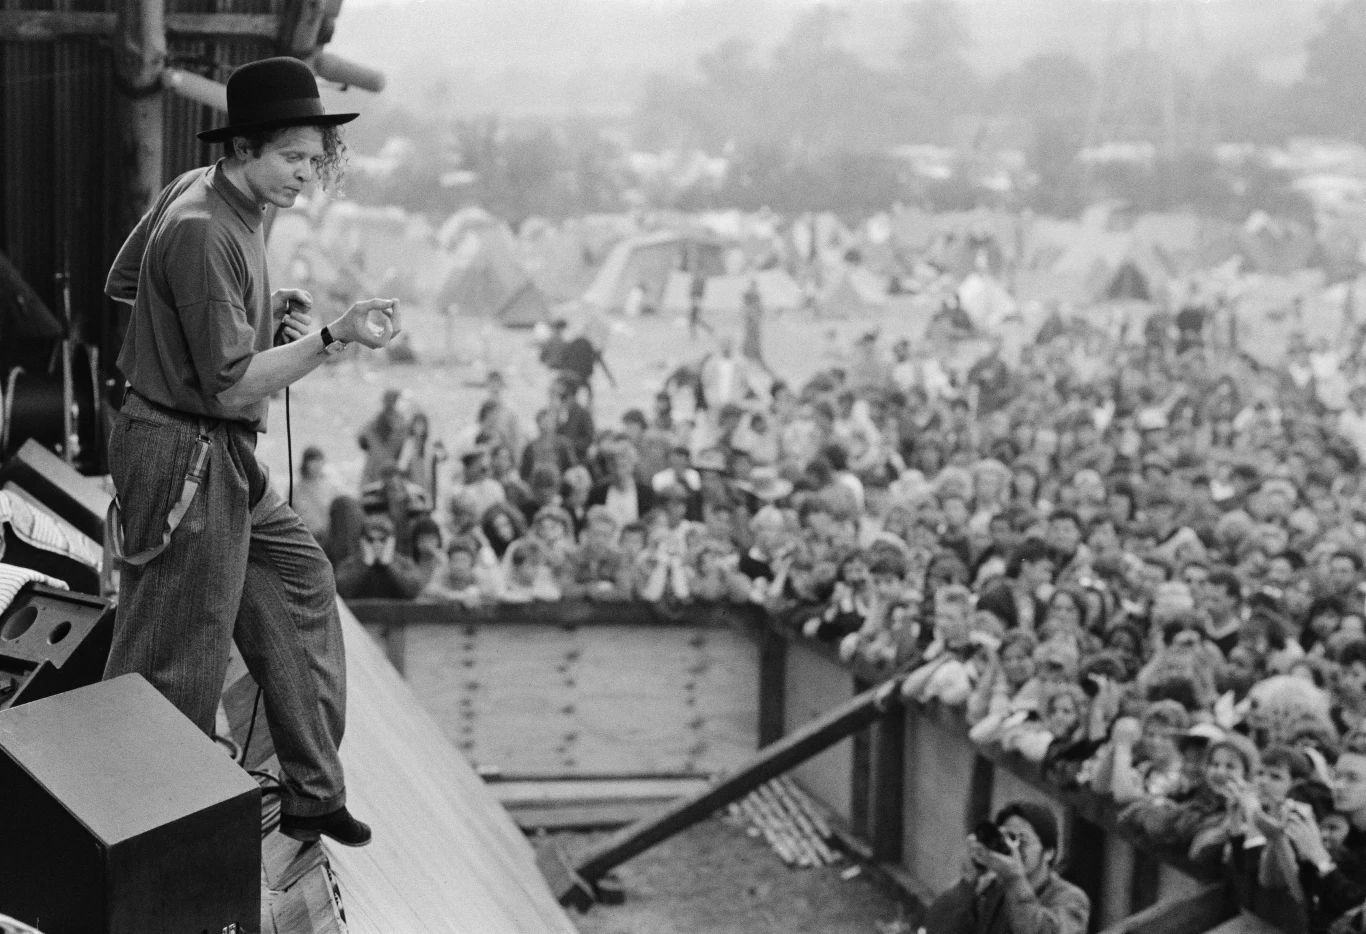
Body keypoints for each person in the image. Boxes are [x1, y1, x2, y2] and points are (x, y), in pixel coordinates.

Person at [102, 57, 398, 846]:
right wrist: (332, 337)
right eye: (293, 158)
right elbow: (232, 385)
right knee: (178, 661)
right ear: (243, 149)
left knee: (301, 580)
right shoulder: (204, 226)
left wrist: (259, 307)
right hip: (183, 454)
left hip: (215, 447)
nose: (307, 174)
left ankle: (311, 792)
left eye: (314, 159)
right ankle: (144, 846)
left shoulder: (217, 193)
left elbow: (126, 280)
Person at [919, 801, 1089, 934]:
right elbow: (937, 928)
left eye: (1022, 840)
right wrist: (967, 883)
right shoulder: (994, 890)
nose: (1013, 849)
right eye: (1007, 838)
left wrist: (1015, 879)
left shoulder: (1071, 899)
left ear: (1049, 853)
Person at [335, 515, 426, 600]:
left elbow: (413, 592)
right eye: (370, 540)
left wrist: (389, 565)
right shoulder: (351, 563)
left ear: (391, 541)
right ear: (362, 541)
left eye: (382, 540)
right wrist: (364, 565)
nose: (376, 544)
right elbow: (341, 592)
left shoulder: (404, 563)